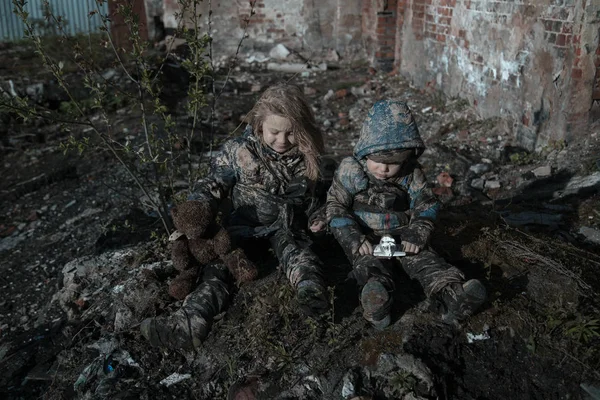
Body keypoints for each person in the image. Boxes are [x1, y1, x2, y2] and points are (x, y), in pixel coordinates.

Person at [141, 84, 332, 350]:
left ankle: (311, 292)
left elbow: (325, 196)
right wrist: (199, 204)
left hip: (287, 228)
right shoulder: (240, 151)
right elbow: (214, 182)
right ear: (259, 125)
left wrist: (321, 217)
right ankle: (190, 322)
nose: (282, 140)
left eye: (291, 132)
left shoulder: (309, 155)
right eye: (274, 132)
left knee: (299, 254)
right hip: (243, 229)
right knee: (216, 269)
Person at [326, 100, 486, 329]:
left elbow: (426, 203)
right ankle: (376, 302)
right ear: (364, 152)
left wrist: (417, 233)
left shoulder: (412, 174)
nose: (384, 170)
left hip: (403, 234)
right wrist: (352, 237)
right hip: (366, 237)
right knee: (370, 266)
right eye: (378, 161)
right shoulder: (351, 170)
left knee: (427, 261)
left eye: (393, 164)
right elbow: (335, 205)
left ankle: (454, 294)